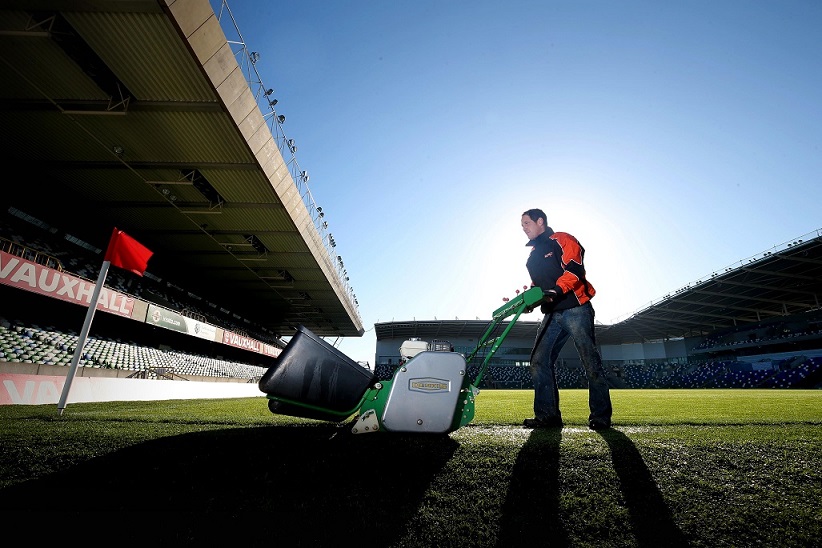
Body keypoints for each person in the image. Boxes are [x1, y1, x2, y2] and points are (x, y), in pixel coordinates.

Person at [520, 208, 612, 430]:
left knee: (590, 362)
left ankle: (600, 416)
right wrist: (528, 301)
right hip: (551, 313)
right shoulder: (532, 258)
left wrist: (557, 290)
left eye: (526, 223)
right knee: (538, 361)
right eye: (522, 225)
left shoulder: (562, 239)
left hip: (576, 308)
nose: (523, 228)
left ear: (540, 221)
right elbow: (539, 287)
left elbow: (574, 269)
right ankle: (547, 416)